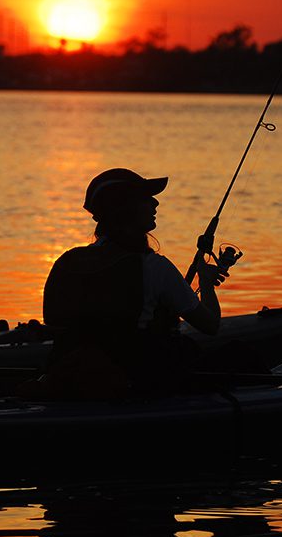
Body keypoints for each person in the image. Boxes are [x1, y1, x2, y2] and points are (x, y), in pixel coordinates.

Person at [40, 167, 227, 398]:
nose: (155, 204)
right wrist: (206, 283)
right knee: (236, 355)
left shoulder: (67, 262)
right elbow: (210, 325)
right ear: (126, 209)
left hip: (72, 378)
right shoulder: (155, 267)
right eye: (146, 198)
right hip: (137, 381)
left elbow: (57, 325)